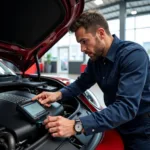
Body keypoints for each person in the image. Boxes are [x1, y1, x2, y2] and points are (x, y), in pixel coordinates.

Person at [32, 11, 150, 150]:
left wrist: (76, 125)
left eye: (84, 41)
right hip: (115, 122)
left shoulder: (133, 55)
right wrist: (57, 95)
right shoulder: (95, 61)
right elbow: (81, 83)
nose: (82, 49)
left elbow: (126, 107)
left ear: (100, 33)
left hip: (141, 129)